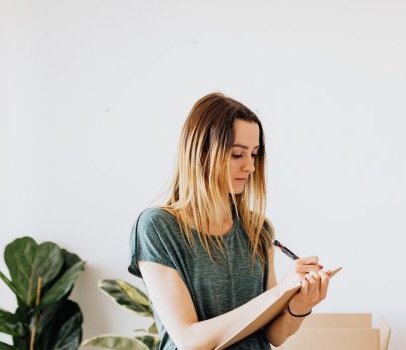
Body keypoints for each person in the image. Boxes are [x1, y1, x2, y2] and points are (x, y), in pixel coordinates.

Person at [128, 92, 331, 350]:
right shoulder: (157, 227)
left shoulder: (258, 229)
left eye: (254, 154)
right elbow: (190, 341)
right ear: (201, 153)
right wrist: (279, 292)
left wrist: (299, 306)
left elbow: (273, 336)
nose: (250, 167)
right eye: (237, 154)